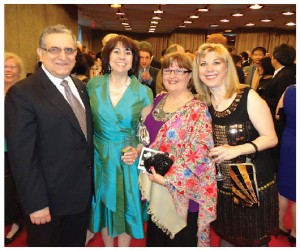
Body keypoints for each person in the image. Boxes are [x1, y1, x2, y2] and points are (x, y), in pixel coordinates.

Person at [5, 24, 94, 247]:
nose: (62, 56)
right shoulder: (23, 93)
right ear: (40, 53)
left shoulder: (79, 86)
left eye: (69, 50)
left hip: (79, 199)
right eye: (54, 49)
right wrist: (35, 203)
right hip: (47, 203)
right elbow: (22, 156)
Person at [193, 43, 278, 246]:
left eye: (216, 62)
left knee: (249, 237)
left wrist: (237, 149)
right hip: (218, 182)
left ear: (227, 67)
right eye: (203, 64)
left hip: (247, 178)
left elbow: (271, 137)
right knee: (227, 234)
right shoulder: (203, 103)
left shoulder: (248, 97)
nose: (209, 69)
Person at [139, 52, 217, 247]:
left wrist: (168, 180)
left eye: (179, 70)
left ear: (190, 75)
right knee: (157, 240)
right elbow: (148, 138)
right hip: (157, 184)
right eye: (167, 70)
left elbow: (200, 154)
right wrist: (139, 149)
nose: (172, 75)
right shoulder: (159, 100)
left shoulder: (197, 109)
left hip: (182, 190)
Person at [87, 35, 153, 247]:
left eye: (128, 52)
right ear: (107, 56)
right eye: (116, 51)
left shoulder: (144, 92)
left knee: (126, 207)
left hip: (128, 157)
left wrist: (138, 149)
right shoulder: (93, 85)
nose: (122, 57)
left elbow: (148, 133)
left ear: (134, 59)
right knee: (105, 206)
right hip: (100, 155)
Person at [4, 52, 26, 245]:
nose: (9, 70)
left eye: (13, 67)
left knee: (12, 188)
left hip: (15, 149)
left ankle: (16, 222)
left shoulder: (21, 92)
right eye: (5, 66)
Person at [275, 85, 296, 246]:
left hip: (289, 139)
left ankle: (279, 224)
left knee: (284, 186)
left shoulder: (289, 89)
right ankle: (296, 233)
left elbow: (278, 114)